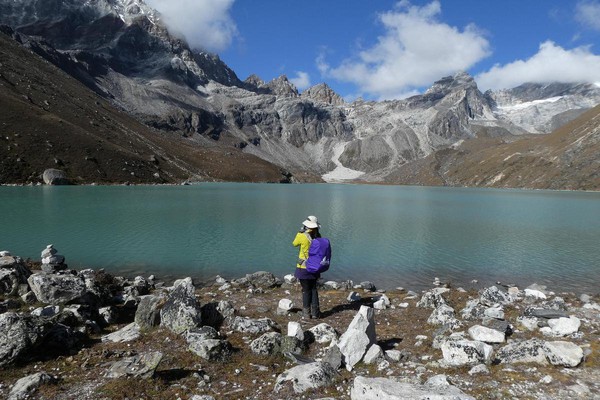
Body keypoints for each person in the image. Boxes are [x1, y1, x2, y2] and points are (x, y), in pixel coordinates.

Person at [292, 216, 322, 319]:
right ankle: (315, 313)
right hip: (315, 267)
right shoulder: (318, 236)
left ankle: (306, 313)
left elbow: (294, 244)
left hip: (303, 268)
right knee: (314, 289)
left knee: (306, 290)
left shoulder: (302, 235)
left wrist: (299, 232)